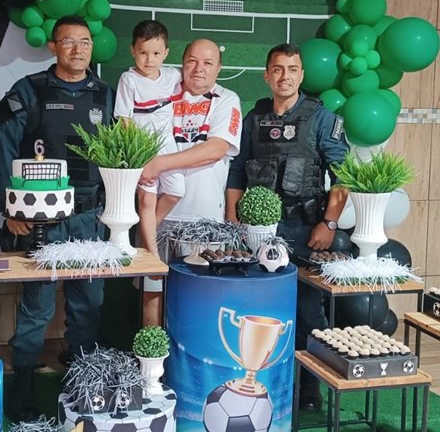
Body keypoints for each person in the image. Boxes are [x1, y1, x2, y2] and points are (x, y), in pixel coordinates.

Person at [0, 15, 114, 422]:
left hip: (89, 218)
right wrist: (11, 211)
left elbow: (117, 160)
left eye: (85, 42)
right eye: (69, 41)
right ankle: (23, 384)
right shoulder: (28, 90)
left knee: (88, 303)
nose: (78, 49)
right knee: (37, 304)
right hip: (41, 221)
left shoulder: (106, 95)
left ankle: (83, 378)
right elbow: (2, 155)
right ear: (54, 47)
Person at [225, 42, 349, 412]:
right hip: (257, 232)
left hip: (305, 230)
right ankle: (264, 384)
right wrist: (233, 221)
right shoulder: (255, 117)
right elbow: (237, 172)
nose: (285, 76)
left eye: (292, 69)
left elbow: (342, 176)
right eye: (278, 69)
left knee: (309, 313)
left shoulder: (321, 118)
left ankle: (310, 392)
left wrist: (329, 223)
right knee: (259, 310)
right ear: (267, 75)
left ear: (302, 75)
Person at [138, 38, 243, 322]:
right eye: (192, 61)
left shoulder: (227, 99)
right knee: (152, 293)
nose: (199, 69)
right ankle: (152, 351)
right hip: (157, 217)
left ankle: (188, 352)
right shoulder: (160, 93)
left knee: (200, 298)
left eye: (208, 63)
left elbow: (215, 149)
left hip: (204, 221)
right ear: (181, 64)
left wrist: (160, 164)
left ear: (219, 68)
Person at [114, 20, 183, 326]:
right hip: (142, 146)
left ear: (166, 53)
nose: (149, 59)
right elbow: (124, 120)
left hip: (167, 145)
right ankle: (152, 253)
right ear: (133, 51)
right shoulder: (128, 79)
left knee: (177, 190)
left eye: (155, 53)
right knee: (146, 200)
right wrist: (137, 153)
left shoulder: (173, 76)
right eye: (143, 53)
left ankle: (145, 237)